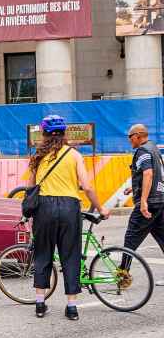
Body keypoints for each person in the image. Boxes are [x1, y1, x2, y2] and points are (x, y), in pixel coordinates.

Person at [28, 115, 109, 321]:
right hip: (69, 208)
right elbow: (87, 186)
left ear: (44, 135)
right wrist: (101, 208)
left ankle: (40, 303)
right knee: (70, 255)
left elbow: (30, 188)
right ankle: (71, 307)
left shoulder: (37, 157)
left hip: (44, 208)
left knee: (42, 254)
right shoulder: (74, 155)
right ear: (64, 134)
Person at [122, 124, 164, 286]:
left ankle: (122, 275)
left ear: (138, 135)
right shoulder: (153, 148)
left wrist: (144, 201)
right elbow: (153, 175)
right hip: (160, 201)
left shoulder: (143, 151)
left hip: (150, 203)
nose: (129, 140)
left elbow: (148, 173)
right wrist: (134, 188)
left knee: (130, 238)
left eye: (130, 137)